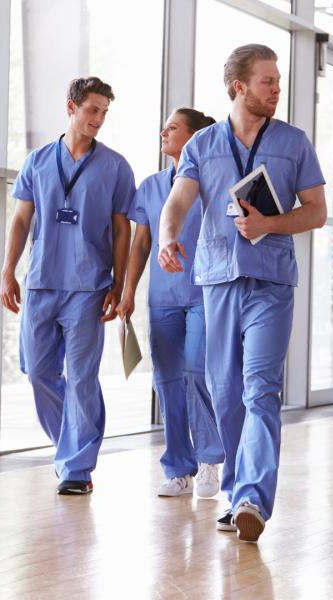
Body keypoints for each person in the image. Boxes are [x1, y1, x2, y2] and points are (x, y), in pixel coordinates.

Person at [157, 44, 327, 542]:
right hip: (217, 281)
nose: (277, 89)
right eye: (267, 81)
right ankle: (235, 492)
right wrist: (168, 237)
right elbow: (177, 202)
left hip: (271, 283)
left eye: (277, 81)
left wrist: (270, 223)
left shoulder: (294, 143)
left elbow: (315, 210)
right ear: (239, 87)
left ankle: (253, 495)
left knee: (260, 389)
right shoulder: (202, 145)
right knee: (226, 393)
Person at [0, 76, 135, 495]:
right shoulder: (38, 161)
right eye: (92, 110)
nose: (98, 119)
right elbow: (22, 219)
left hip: (89, 286)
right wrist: (8, 270)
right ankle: (69, 446)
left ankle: (77, 467)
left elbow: (121, 229)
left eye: (104, 113)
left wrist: (118, 282)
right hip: (42, 282)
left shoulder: (115, 166)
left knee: (81, 378)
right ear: (71, 107)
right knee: (38, 371)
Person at [116, 108, 225, 500]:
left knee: (196, 370)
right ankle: (179, 467)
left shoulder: (213, 184)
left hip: (204, 293)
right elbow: (141, 243)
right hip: (162, 298)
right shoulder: (150, 186)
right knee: (167, 382)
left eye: (174, 127)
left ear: (196, 137)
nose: (164, 131)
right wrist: (128, 292)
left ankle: (211, 457)